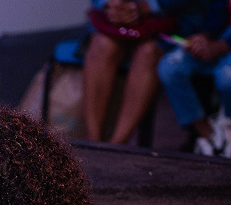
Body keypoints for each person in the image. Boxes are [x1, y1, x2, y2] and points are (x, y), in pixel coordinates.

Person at [82, 0, 216, 144]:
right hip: (116, 18)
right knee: (102, 45)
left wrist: (150, 6)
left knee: (148, 53)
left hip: (173, 20)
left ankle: (118, 143)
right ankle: (93, 141)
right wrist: (112, 4)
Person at [156, 0, 231, 156]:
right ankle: (208, 135)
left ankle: (228, 130)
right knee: (170, 67)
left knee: (227, 77)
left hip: (225, 44)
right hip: (219, 34)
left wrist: (223, 45)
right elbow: (217, 10)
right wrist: (204, 36)